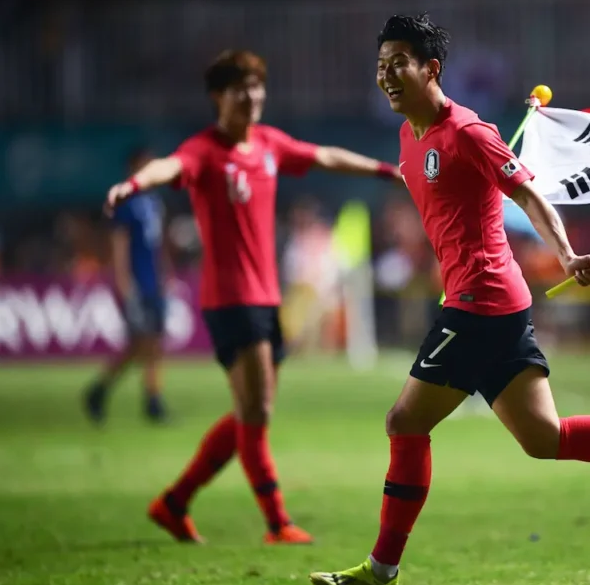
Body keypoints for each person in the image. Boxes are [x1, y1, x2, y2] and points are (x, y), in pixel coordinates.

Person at [308, 14, 590, 585]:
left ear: (431, 69)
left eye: (398, 62)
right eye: (380, 65)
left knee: (405, 423)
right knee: (543, 437)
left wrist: (564, 253)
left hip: (479, 304)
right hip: (493, 304)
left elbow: (528, 193)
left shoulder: (471, 133)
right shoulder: (410, 137)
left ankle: (381, 574)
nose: (386, 75)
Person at [103, 49, 401, 545]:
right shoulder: (204, 150)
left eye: (258, 87)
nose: (254, 96)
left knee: (250, 412)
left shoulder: (268, 144)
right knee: (257, 412)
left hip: (265, 300)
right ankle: (277, 522)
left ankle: (175, 503)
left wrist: (383, 171)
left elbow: (323, 155)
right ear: (219, 97)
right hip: (230, 300)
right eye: (242, 88)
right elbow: (166, 168)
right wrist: (132, 184)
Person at [84, 147, 170, 424]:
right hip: (137, 283)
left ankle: (144, 399)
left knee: (151, 344)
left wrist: (165, 276)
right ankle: (142, 400)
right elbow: (119, 245)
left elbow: (158, 245)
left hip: (154, 283)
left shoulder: (155, 202)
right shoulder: (126, 202)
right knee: (142, 343)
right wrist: (123, 283)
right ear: (133, 168)